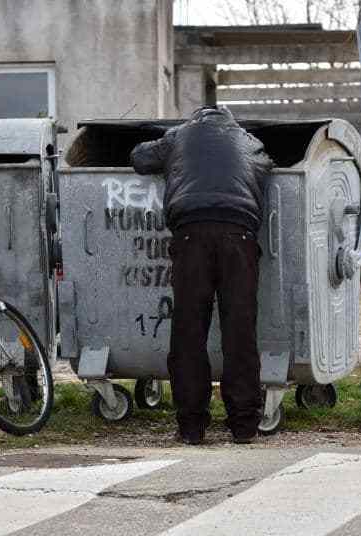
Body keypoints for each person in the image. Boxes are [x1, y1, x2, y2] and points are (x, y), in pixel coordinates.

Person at [129, 106, 274, 445]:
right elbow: (267, 167)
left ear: (195, 119)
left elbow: (139, 158)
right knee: (239, 330)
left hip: (191, 233)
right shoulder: (250, 142)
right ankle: (244, 425)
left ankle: (192, 426)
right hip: (239, 235)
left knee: (189, 331)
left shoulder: (179, 135)